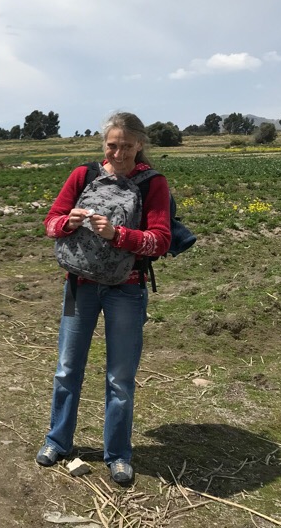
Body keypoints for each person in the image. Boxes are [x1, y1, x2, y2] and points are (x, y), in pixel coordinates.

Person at [35, 112, 171, 485]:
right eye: (112, 145)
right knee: (67, 367)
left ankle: (119, 455)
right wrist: (68, 222)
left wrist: (117, 235)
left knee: (120, 377)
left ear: (140, 144)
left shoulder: (152, 183)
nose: (119, 153)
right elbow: (50, 223)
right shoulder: (84, 175)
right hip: (79, 284)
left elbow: (160, 240)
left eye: (127, 146)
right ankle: (57, 441)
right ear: (104, 145)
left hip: (127, 288)